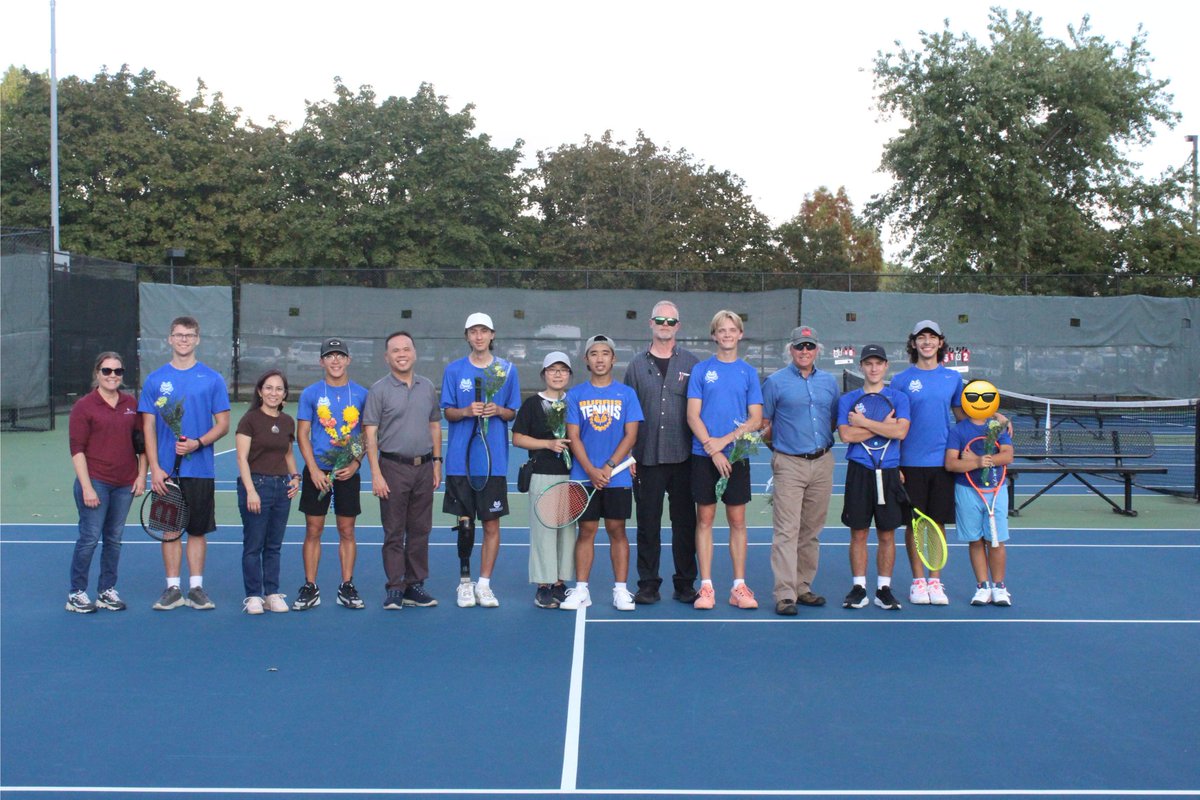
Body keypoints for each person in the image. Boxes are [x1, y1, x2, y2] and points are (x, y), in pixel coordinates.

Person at [139, 316, 231, 611]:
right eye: (178, 335)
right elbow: (148, 428)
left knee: (197, 530)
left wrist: (198, 442)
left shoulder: (213, 378)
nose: (183, 340)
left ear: (197, 339)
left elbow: (224, 424)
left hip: (201, 469)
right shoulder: (155, 380)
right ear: (169, 339)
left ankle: (196, 588)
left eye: (189, 335)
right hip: (166, 473)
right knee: (169, 530)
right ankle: (172, 589)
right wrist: (156, 468)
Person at [622, 300, 700, 605]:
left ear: (678, 326)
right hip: (646, 459)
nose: (665, 326)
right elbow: (629, 414)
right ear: (650, 324)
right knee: (647, 525)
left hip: (684, 458)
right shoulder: (635, 366)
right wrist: (628, 455)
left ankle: (684, 583)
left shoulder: (693, 364)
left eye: (670, 322)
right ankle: (648, 584)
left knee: (685, 526)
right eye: (660, 320)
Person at [440, 312, 520, 609]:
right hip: (460, 462)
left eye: (483, 331)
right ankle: (464, 583)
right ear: (467, 336)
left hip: (493, 463)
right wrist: (466, 412)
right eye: (473, 331)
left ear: (492, 335)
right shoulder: (453, 370)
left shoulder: (507, 370)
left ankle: (484, 584)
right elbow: (447, 411)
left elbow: (512, 412)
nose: (478, 336)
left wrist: (497, 410)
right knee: (464, 524)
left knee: (491, 525)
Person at [686, 310, 764, 611]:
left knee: (738, 522)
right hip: (704, 456)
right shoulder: (702, 370)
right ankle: (706, 588)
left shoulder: (748, 372)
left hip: (737, 456)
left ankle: (738, 587)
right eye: (722, 330)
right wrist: (713, 449)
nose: (727, 334)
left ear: (740, 334)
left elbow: (755, 419)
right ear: (714, 335)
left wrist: (727, 442)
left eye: (732, 330)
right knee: (704, 520)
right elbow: (693, 415)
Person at [559, 335, 644, 611]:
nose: (599, 358)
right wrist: (591, 470)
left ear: (613, 359)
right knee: (586, 531)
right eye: (593, 354)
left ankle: (621, 590)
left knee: (617, 530)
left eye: (605, 353)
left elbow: (631, 435)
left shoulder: (627, 394)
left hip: (616, 475)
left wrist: (607, 467)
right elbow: (574, 436)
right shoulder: (576, 395)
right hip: (584, 477)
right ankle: (582, 589)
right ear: (586, 359)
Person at [761, 326, 840, 616]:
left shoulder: (830, 383)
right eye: (799, 347)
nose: (804, 351)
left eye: (809, 346)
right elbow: (765, 425)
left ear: (816, 349)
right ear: (791, 350)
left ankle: (803, 586)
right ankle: (785, 594)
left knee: (811, 531)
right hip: (789, 463)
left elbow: (831, 420)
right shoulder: (775, 382)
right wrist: (784, 451)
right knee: (786, 531)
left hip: (822, 462)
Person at [363, 331, 442, 610]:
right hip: (392, 468)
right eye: (395, 350)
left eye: (406, 349)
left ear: (414, 353)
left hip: (423, 468)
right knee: (394, 531)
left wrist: (436, 462)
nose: (401, 354)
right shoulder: (378, 390)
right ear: (387, 358)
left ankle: (414, 585)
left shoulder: (427, 386)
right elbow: (370, 434)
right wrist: (375, 473)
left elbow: (434, 426)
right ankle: (395, 587)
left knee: (420, 530)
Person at [292, 337, 370, 611]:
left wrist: (356, 463)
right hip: (319, 471)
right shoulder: (311, 394)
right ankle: (310, 586)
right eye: (329, 355)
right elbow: (302, 434)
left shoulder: (361, 394)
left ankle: (346, 585)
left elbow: (365, 434)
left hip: (348, 470)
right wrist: (312, 469)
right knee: (313, 529)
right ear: (322, 361)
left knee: (347, 530)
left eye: (340, 355)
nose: (335, 360)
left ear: (348, 360)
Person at [891, 320, 965, 606]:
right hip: (909, 463)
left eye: (932, 337)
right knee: (914, 525)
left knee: (937, 523)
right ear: (913, 344)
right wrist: (895, 463)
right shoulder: (900, 380)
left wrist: (995, 419)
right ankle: (917, 581)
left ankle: (935, 580)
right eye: (921, 337)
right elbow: (896, 422)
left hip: (942, 462)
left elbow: (962, 416)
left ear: (940, 343)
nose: (926, 342)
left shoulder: (952, 379)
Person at [66, 352, 147, 612]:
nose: (112, 376)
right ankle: (77, 593)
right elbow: (77, 450)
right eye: (107, 371)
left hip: (124, 484)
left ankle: (106, 591)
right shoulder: (84, 406)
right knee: (89, 538)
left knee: (114, 539)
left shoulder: (130, 403)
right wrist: (87, 486)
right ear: (97, 373)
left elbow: (141, 444)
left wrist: (140, 475)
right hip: (96, 483)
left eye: (117, 371)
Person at [837, 344, 910, 611]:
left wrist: (864, 423)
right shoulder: (848, 400)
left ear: (886, 366)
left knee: (887, 533)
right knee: (858, 532)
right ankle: (859, 588)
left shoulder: (899, 398)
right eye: (869, 363)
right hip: (859, 471)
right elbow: (846, 436)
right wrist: (885, 427)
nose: (874, 368)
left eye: (879, 363)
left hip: (889, 472)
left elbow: (901, 432)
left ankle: (883, 589)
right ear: (861, 367)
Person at [511, 351, 576, 608]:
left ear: (569, 375)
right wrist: (548, 444)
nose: (558, 374)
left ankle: (560, 582)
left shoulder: (576, 401)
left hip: (572, 477)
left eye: (563, 370)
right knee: (543, 532)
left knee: (567, 532)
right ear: (544, 374)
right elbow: (518, 438)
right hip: (542, 475)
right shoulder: (532, 404)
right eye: (552, 369)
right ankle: (543, 585)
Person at [235, 370, 301, 615]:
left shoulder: (287, 422)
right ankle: (253, 596)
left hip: (281, 488)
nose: (274, 393)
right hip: (256, 486)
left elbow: (288, 454)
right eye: (269, 388)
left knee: (273, 545)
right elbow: (241, 457)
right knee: (254, 544)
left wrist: (295, 477)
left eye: (279, 389)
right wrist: (251, 490)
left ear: (284, 394)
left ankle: (271, 593)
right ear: (260, 392)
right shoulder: (249, 420)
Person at [945, 382, 1015, 606]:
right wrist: (974, 463)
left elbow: (1007, 456)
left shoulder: (997, 427)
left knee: (996, 541)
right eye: (973, 397)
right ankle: (983, 586)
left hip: (995, 490)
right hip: (967, 491)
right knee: (975, 541)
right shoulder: (958, 431)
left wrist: (983, 461)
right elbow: (950, 464)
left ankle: (1000, 587)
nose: (979, 402)